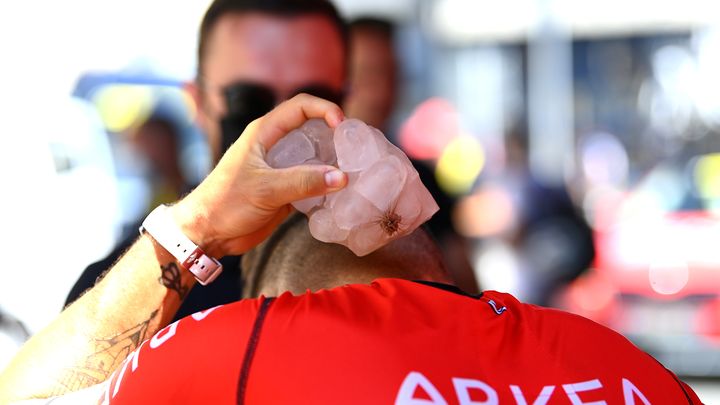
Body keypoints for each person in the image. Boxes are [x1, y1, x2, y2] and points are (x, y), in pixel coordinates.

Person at [0, 95, 702, 404]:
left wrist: (202, 227)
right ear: (442, 267)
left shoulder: (242, 351)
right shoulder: (629, 369)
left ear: (272, 302)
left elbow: (24, 396)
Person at [65, 0, 348, 320]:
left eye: (313, 98)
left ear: (344, 101)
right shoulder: (123, 294)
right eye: (248, 100)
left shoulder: (406, 239)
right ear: (197, 101)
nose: (284, 119)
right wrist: (198, 237)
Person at [344, 16, 480, 294]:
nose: (382, 91)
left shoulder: (421, 177)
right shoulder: (308, 180)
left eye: (392, 75)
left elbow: (465, 283)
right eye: (368, 74)